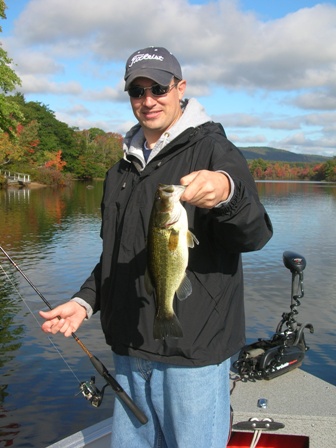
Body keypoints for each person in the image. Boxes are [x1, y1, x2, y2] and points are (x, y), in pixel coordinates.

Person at [40, 46, 273, 447]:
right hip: (129, 348)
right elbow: (116, 256)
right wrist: (83, 303)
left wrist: (226, 195)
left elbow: (253, 235)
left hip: (193, 353)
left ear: (180, 88)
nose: (148, 100)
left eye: (159, 88)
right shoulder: (120, 172)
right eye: (137, 91)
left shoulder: (216, 150)